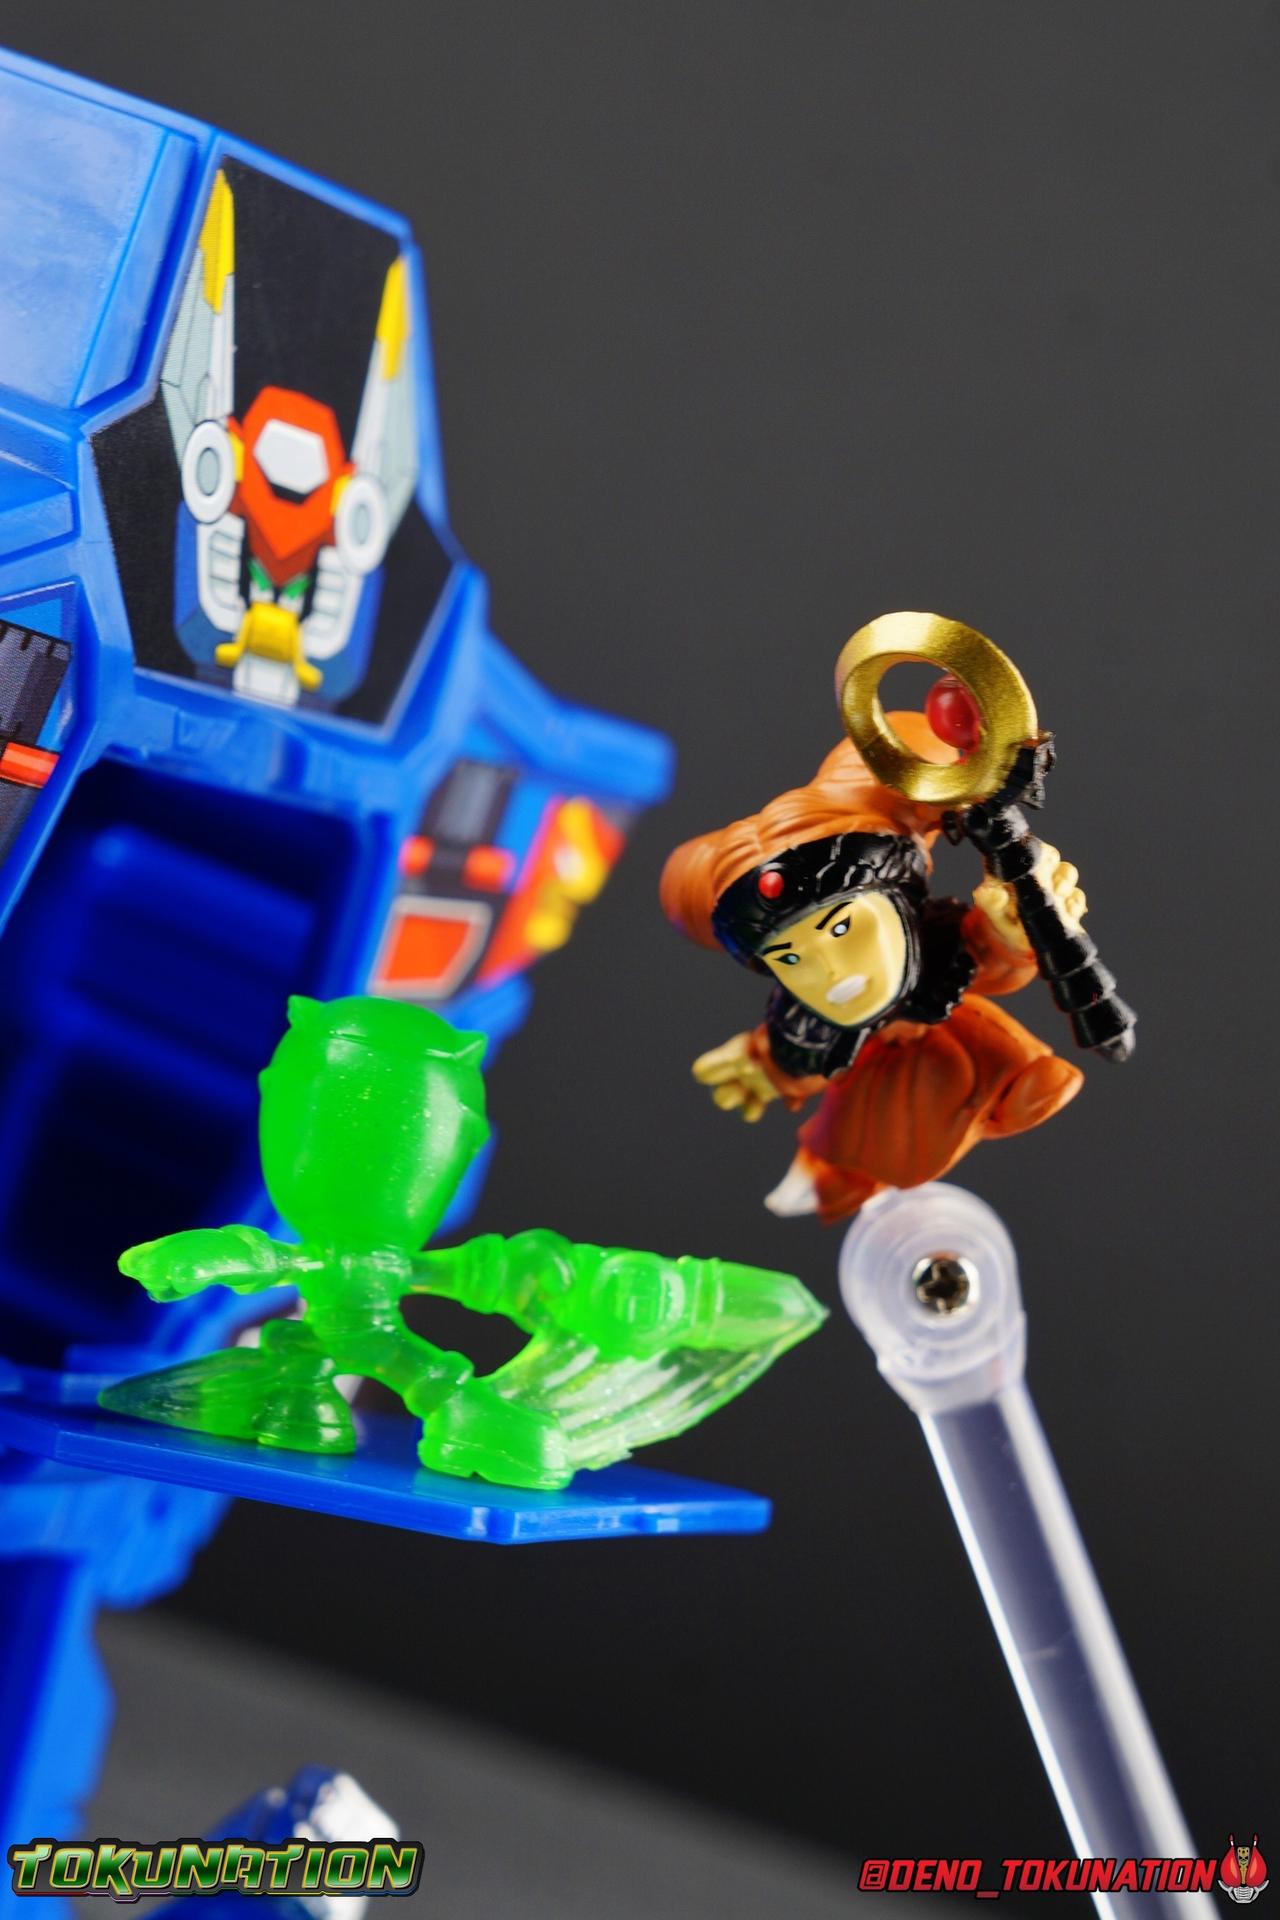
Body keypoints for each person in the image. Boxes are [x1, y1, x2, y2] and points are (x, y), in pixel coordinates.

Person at [660, 711, 1086, 1223]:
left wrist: (1013, 928)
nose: (831, 972)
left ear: (900, 903)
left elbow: (991, 961)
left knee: (996, 1074)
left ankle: (1009, 1093)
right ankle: (837, 1176)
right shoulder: (807, 1013)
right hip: (870, 1078)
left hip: (948, 1051)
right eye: (790, 958)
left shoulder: (934, 946)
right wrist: (764, 1066)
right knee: (847, 1143)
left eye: (843, 928)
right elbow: (801, 1049)